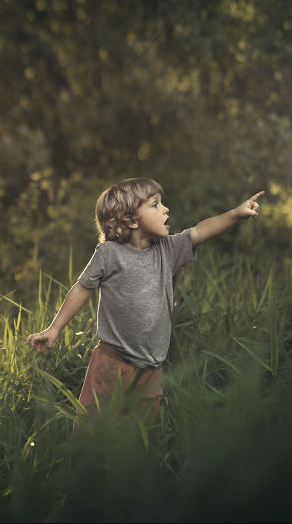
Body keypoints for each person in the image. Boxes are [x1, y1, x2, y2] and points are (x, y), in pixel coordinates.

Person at [26, 177, 263, 425]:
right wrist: (54, 329)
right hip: (112, 363)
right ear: (130, 219)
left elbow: (201, 230)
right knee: (93, 432)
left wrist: (236, 214)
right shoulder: (109, 254)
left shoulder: (167, 250)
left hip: (151, 369)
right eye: (155, 204)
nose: (165, 209)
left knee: (140, 436)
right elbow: (82, 288)